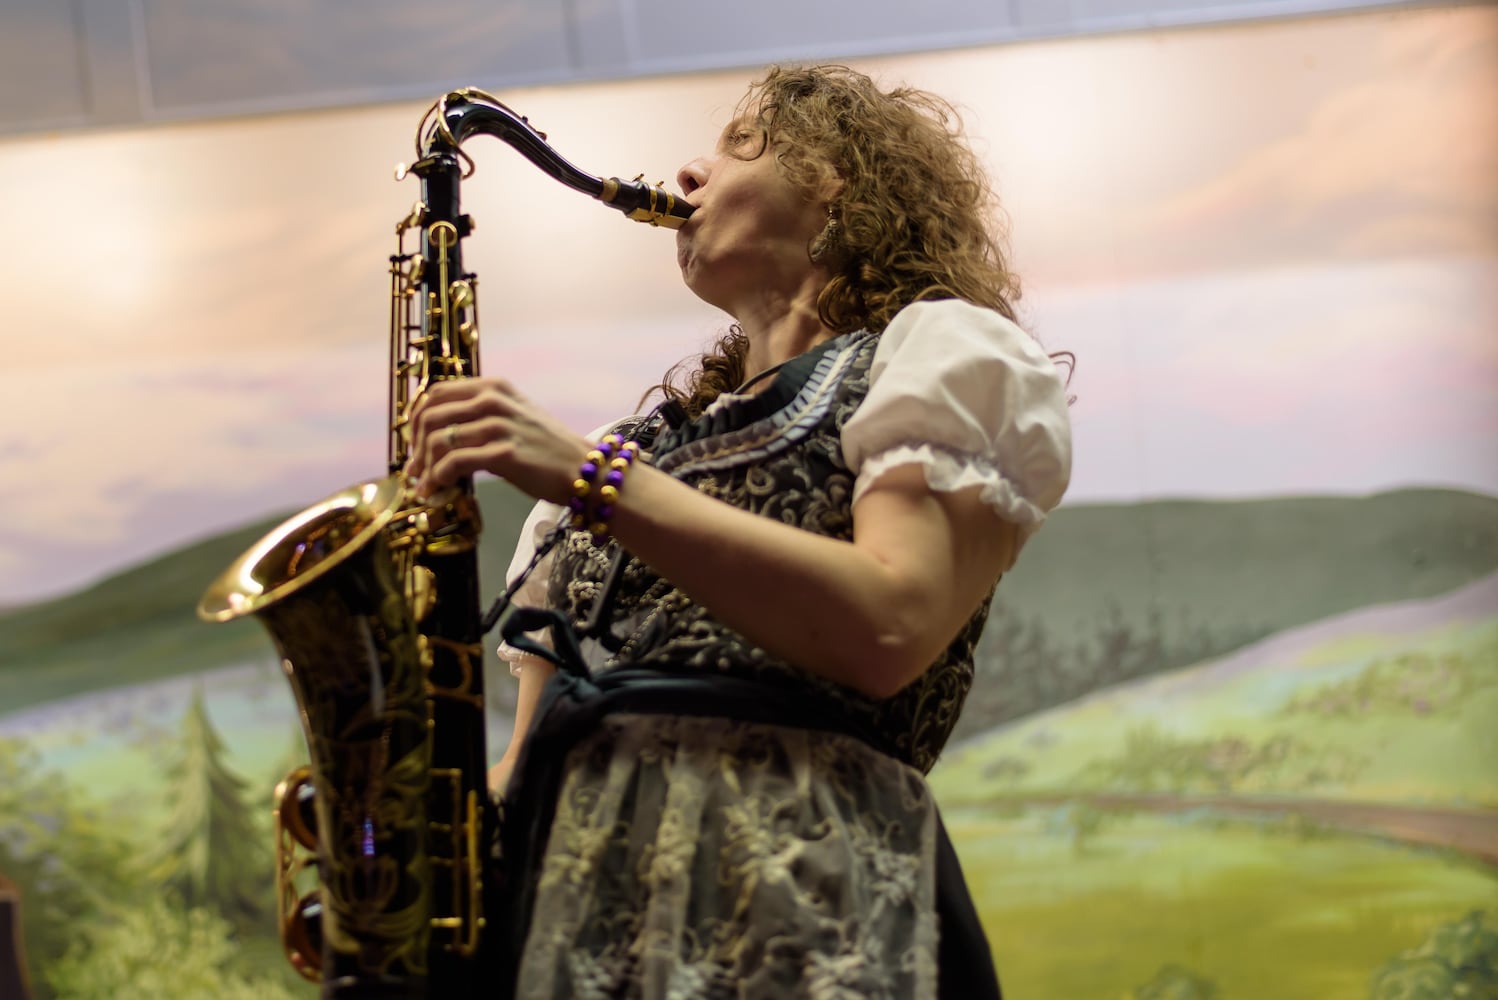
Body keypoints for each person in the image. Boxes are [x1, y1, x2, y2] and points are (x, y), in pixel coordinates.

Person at [405, 64, 1071, 1000]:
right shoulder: (625, 451)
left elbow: (891, 625)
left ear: (840, 181)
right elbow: (528, 747)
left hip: (807, 914)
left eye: (738, 145)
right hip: (573, 933)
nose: (688, 173)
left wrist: (596, 482)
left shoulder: (942, 353)